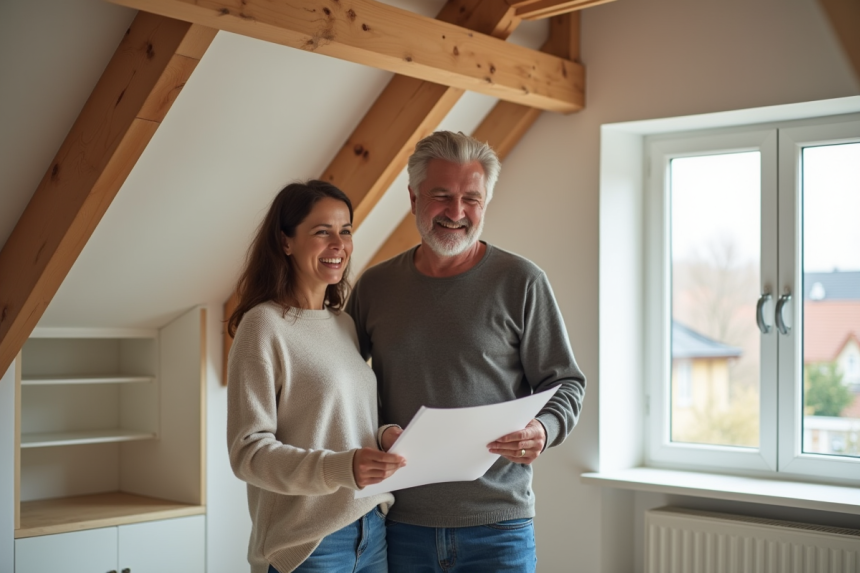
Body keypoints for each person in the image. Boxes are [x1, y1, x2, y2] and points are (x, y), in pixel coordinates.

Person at [346, 131, 586, 572]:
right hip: (399, 523)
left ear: (485, 203)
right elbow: (342, 385)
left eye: (471, 199)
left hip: (499, 528)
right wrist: (378, 432)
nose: (456, 213)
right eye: (441, 196)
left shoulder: (522, 282)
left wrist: (544, 429)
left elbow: (566, 383)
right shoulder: (375, 287)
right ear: (413, 197)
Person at [226, 180, 405, 573]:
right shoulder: (262, 326)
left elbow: (338, 425)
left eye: (345, 231)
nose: (338, 244)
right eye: (322, 232)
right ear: (285, 242)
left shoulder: (344, 324)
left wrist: (383, 437)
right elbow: (247, 453)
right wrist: (342, 468)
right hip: (310, 544)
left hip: (372, 528)